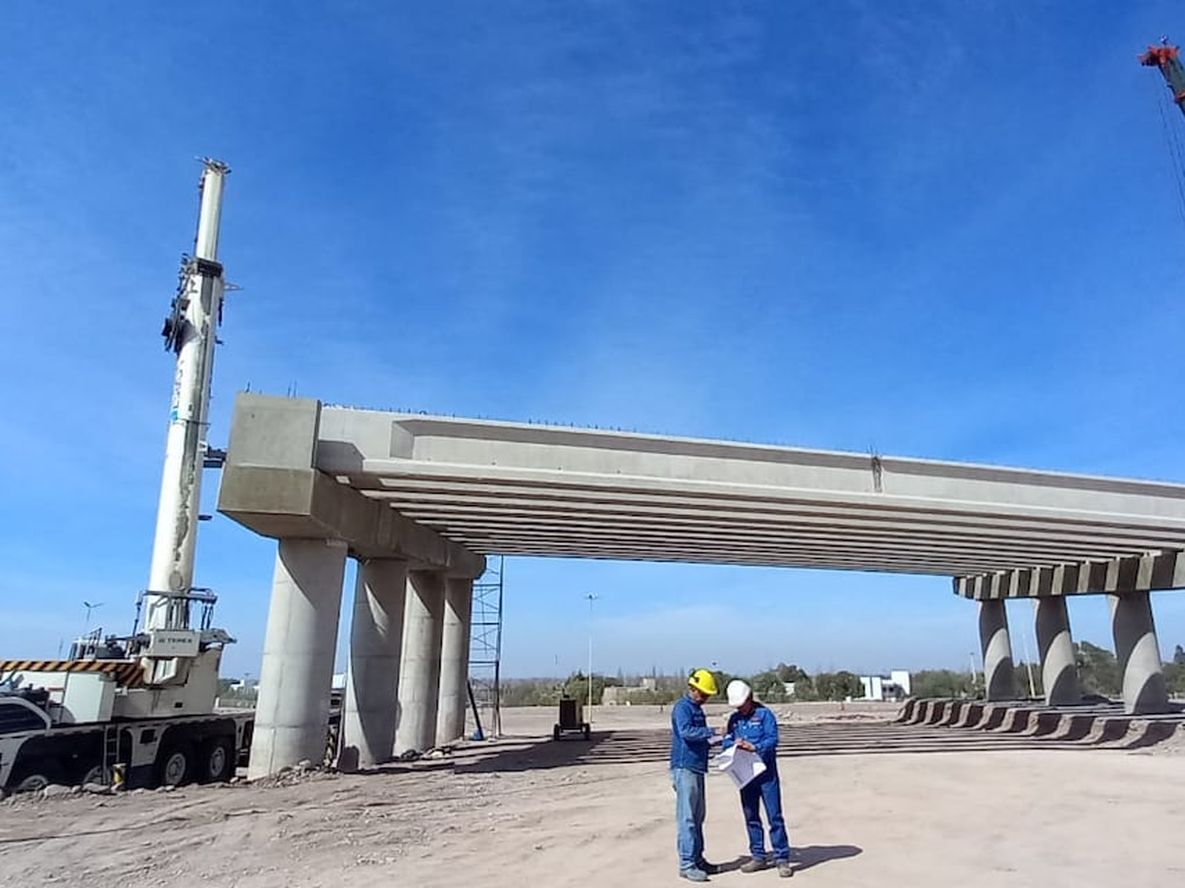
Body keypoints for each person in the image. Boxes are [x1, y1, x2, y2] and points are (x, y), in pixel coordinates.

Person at [722, 680, 793, 878]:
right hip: (745, 776)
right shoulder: (734, 719)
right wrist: (732, 744)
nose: (739, 709)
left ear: (749, 698)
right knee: (751, 816)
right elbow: (726, 739)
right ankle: (758, 856)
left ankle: (781, 857)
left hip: (766, 774)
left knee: (775, 816)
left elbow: (773, 739)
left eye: (741, 705)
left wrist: (755, 747)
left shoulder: (764, 715)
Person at [669, 668, 724, 882]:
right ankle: (687, 863)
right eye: (703, 694)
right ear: (693, 688)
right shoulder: (682, 708)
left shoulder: (697, 709)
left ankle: (698, 859)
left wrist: (719, 740)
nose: (706, 698)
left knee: (699, 816)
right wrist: (712, 732)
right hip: (685, 767)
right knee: (688, 817)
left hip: (698, 767)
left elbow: (699, 737)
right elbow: (686, 733)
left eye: (707, 695)